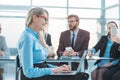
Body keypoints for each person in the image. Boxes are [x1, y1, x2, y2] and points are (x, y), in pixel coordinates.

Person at [17, 7, 85, 80]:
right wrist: (54, 70)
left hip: (40, 75)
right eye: (45, 18)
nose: (46, 22)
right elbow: (29, 72)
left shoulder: (36, 37)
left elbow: (42, 65)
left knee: (80, 75)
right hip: (34, 77)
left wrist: (59, 68)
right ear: (34, 18)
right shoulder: (27, 37)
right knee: (79, 77)